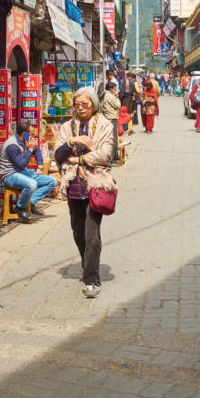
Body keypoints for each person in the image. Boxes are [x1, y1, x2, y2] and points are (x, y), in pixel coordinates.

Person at [54, 87, 116, 298]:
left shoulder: (105, 126)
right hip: (73, 186)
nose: (80, 108)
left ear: (94, 105)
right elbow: (58, 154)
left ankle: (92, 279)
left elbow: (105, 154)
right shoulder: (66, 127)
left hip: (95, 185)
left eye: (85, 104)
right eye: (76, 104)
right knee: (78, 232)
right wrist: (72, 142)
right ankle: (86, 262)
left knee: (92, 235)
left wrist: (79, 159)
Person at [0, 121, 56, 222]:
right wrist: (29, 150)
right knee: (32, 184)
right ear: (24, 134)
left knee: (52, 181)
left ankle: (31, 202)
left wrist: (40, 166)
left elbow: (37, 151)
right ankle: (20, 207)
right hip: (10, 175)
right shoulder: (12, 145)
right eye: (31, 134)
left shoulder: (26, 140)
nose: (33, 137)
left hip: (23, 172)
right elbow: (21, 164)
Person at [101, 82, 122, 164]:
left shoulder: (104, 94)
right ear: (111, 89)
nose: (115, 91)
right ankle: (111, 159)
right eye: (114, 89)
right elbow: (118, 105)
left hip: (106, 118)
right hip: (111, 118)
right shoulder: (110, 96)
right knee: (113, 140)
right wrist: (116, 97)